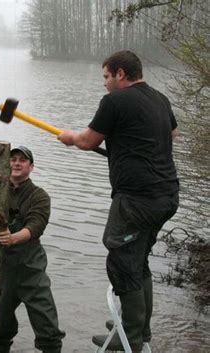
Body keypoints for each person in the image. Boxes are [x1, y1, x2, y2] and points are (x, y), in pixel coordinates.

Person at [57, 50, 179, 351]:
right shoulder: (159, 99)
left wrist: (70, 137)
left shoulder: (115, 101)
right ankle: (139, 328)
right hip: (167, 195)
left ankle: (131, 338)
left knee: (121, 259)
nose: (104, 83)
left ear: (120, 73)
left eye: (106, 76)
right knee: (138, 260)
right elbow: (172, 133)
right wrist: (129, 145)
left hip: (137, 200)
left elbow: (87, 141)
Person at [0, 146, 65, 353]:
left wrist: (12, 238)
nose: (16, 163)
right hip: (2, 269)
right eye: (13, 159)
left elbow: (36, 226)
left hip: (30, 267)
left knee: (48, 327)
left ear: (31, 167)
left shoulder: (39, 196)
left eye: (22, 160)